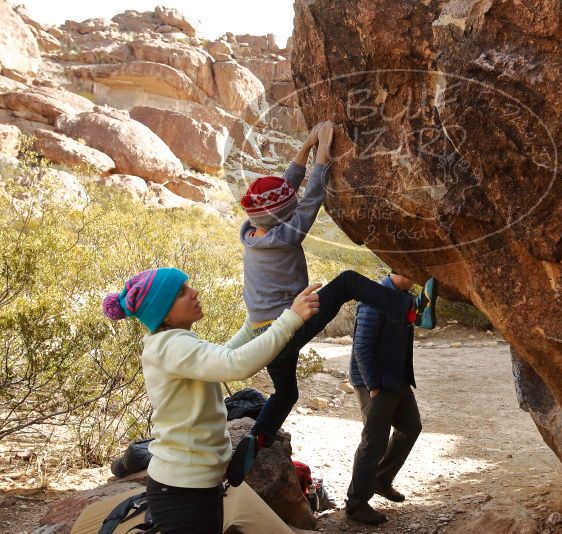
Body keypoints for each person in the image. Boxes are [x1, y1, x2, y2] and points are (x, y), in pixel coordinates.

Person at [228, 121, 439, 486]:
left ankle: (258, 439)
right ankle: (410, 311)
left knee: (286, 393)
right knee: (348, 282)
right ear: (280, 215)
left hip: (265, 335)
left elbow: (285, 190)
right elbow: (309, 199)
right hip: (286, 329)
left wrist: (306, 145)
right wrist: (322, 156)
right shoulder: (286, 236)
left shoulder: (253, 231)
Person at [101, 267, 319, 533]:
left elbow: (221, 356)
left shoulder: (171, 342)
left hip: (190, 484)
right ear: (164, 312)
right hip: (183, 490)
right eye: (182, 292)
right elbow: (236, 364)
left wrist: (252, 328)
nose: (194, 293)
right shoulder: (171, 346)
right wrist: (290, 320)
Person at [345, 271, 428, 525]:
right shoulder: (375, 298)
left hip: (398, 380)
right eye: (408, 270)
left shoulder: (403, 298)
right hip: (377, 382)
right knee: (374, 442)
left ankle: (381, 479)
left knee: (411, 427)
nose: (414, 276)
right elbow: (362, 346)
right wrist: (373, 386)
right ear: (394, 271)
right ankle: (356, 503)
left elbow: (420, 316)